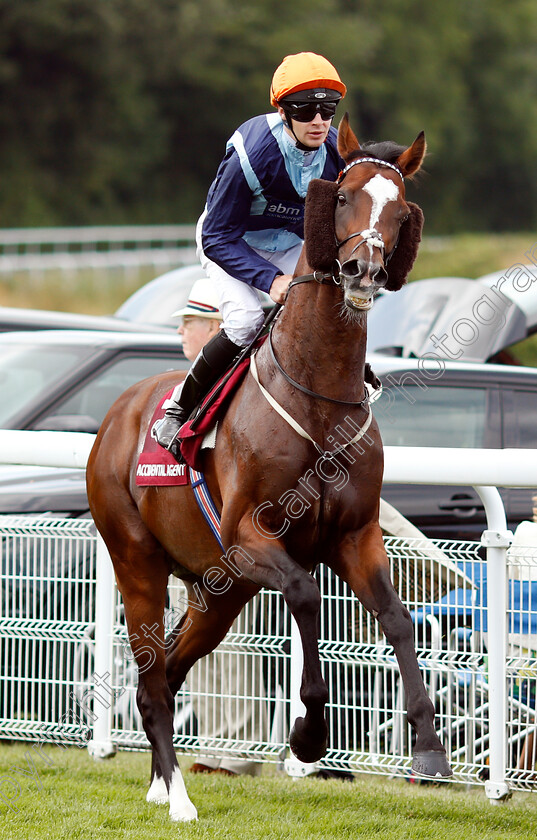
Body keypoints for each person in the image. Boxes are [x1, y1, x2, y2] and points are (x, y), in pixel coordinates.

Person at [155, 51, 347, 456]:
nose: (319, 121)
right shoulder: (253, 153)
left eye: (328, 109)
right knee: (245, 322)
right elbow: (216, 236)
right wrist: (270, 280)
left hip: (288, 240)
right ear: (283, 111)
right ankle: (178, 409)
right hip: (231, 240)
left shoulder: (335, 150)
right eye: (306, 110)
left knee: (335, 298)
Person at [167, 276, 268, 776]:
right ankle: (212, 747)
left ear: (215, 328)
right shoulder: (196, 389)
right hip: (193, 541)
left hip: (233, 543)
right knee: (200, 642)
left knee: (237, 641)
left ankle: (242, 753)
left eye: (188, 323)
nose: (181, 333)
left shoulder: (243, 389)